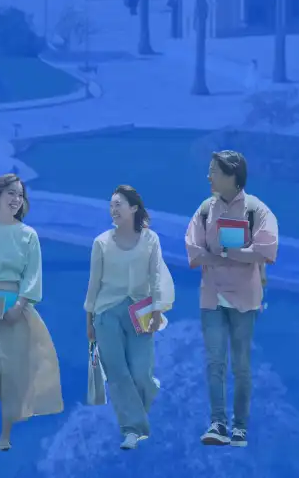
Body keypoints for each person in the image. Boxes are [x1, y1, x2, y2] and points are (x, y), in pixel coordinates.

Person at [0, 174, 62, 450]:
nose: (17, 199)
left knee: (13, 376)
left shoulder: (28, 236)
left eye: (20, 195)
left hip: (17, 311)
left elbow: (33, 275)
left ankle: (5, 433)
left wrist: (21, 304)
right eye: (11, 193)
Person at [186, 149, 278, 448]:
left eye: (214, 171)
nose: (209, 176)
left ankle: (240, 427)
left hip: (245, 299)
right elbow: (193, 250)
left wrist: (228, 254)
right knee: (214, 362)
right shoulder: (204, 210)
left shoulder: (256, 210)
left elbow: (267, 250)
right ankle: (217, 423)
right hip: (212, 298)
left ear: (232, 176)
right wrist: (230, 256)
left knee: (240, 364)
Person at [85, 185, 175, 450]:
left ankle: (145, 397)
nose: (113, 210)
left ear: (134, 208)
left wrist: (158, 311)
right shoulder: (101, 242)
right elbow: (93, 283)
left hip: (141, 313)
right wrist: (89, 320)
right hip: (105, 314)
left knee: (141, 375)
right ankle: (132, 430)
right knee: (117, 373)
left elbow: (156, 278)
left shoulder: (150, 240)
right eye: (111, 205)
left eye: (118, 205)